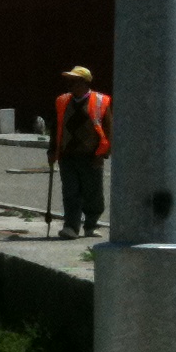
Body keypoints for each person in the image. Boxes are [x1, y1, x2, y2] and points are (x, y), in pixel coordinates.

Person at [47, 65, 111, 240]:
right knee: (70, 192)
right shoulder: (62, 101)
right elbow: (55, 128)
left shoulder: (100, 101)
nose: (71, 85)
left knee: (93, 192)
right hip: (67, 155)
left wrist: (102, 154)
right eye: (70, 81)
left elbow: (108, 129)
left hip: (91, 155)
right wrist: (52, 150)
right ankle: (71, 227)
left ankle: (91, 225)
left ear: (85, 83)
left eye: (75, 81)